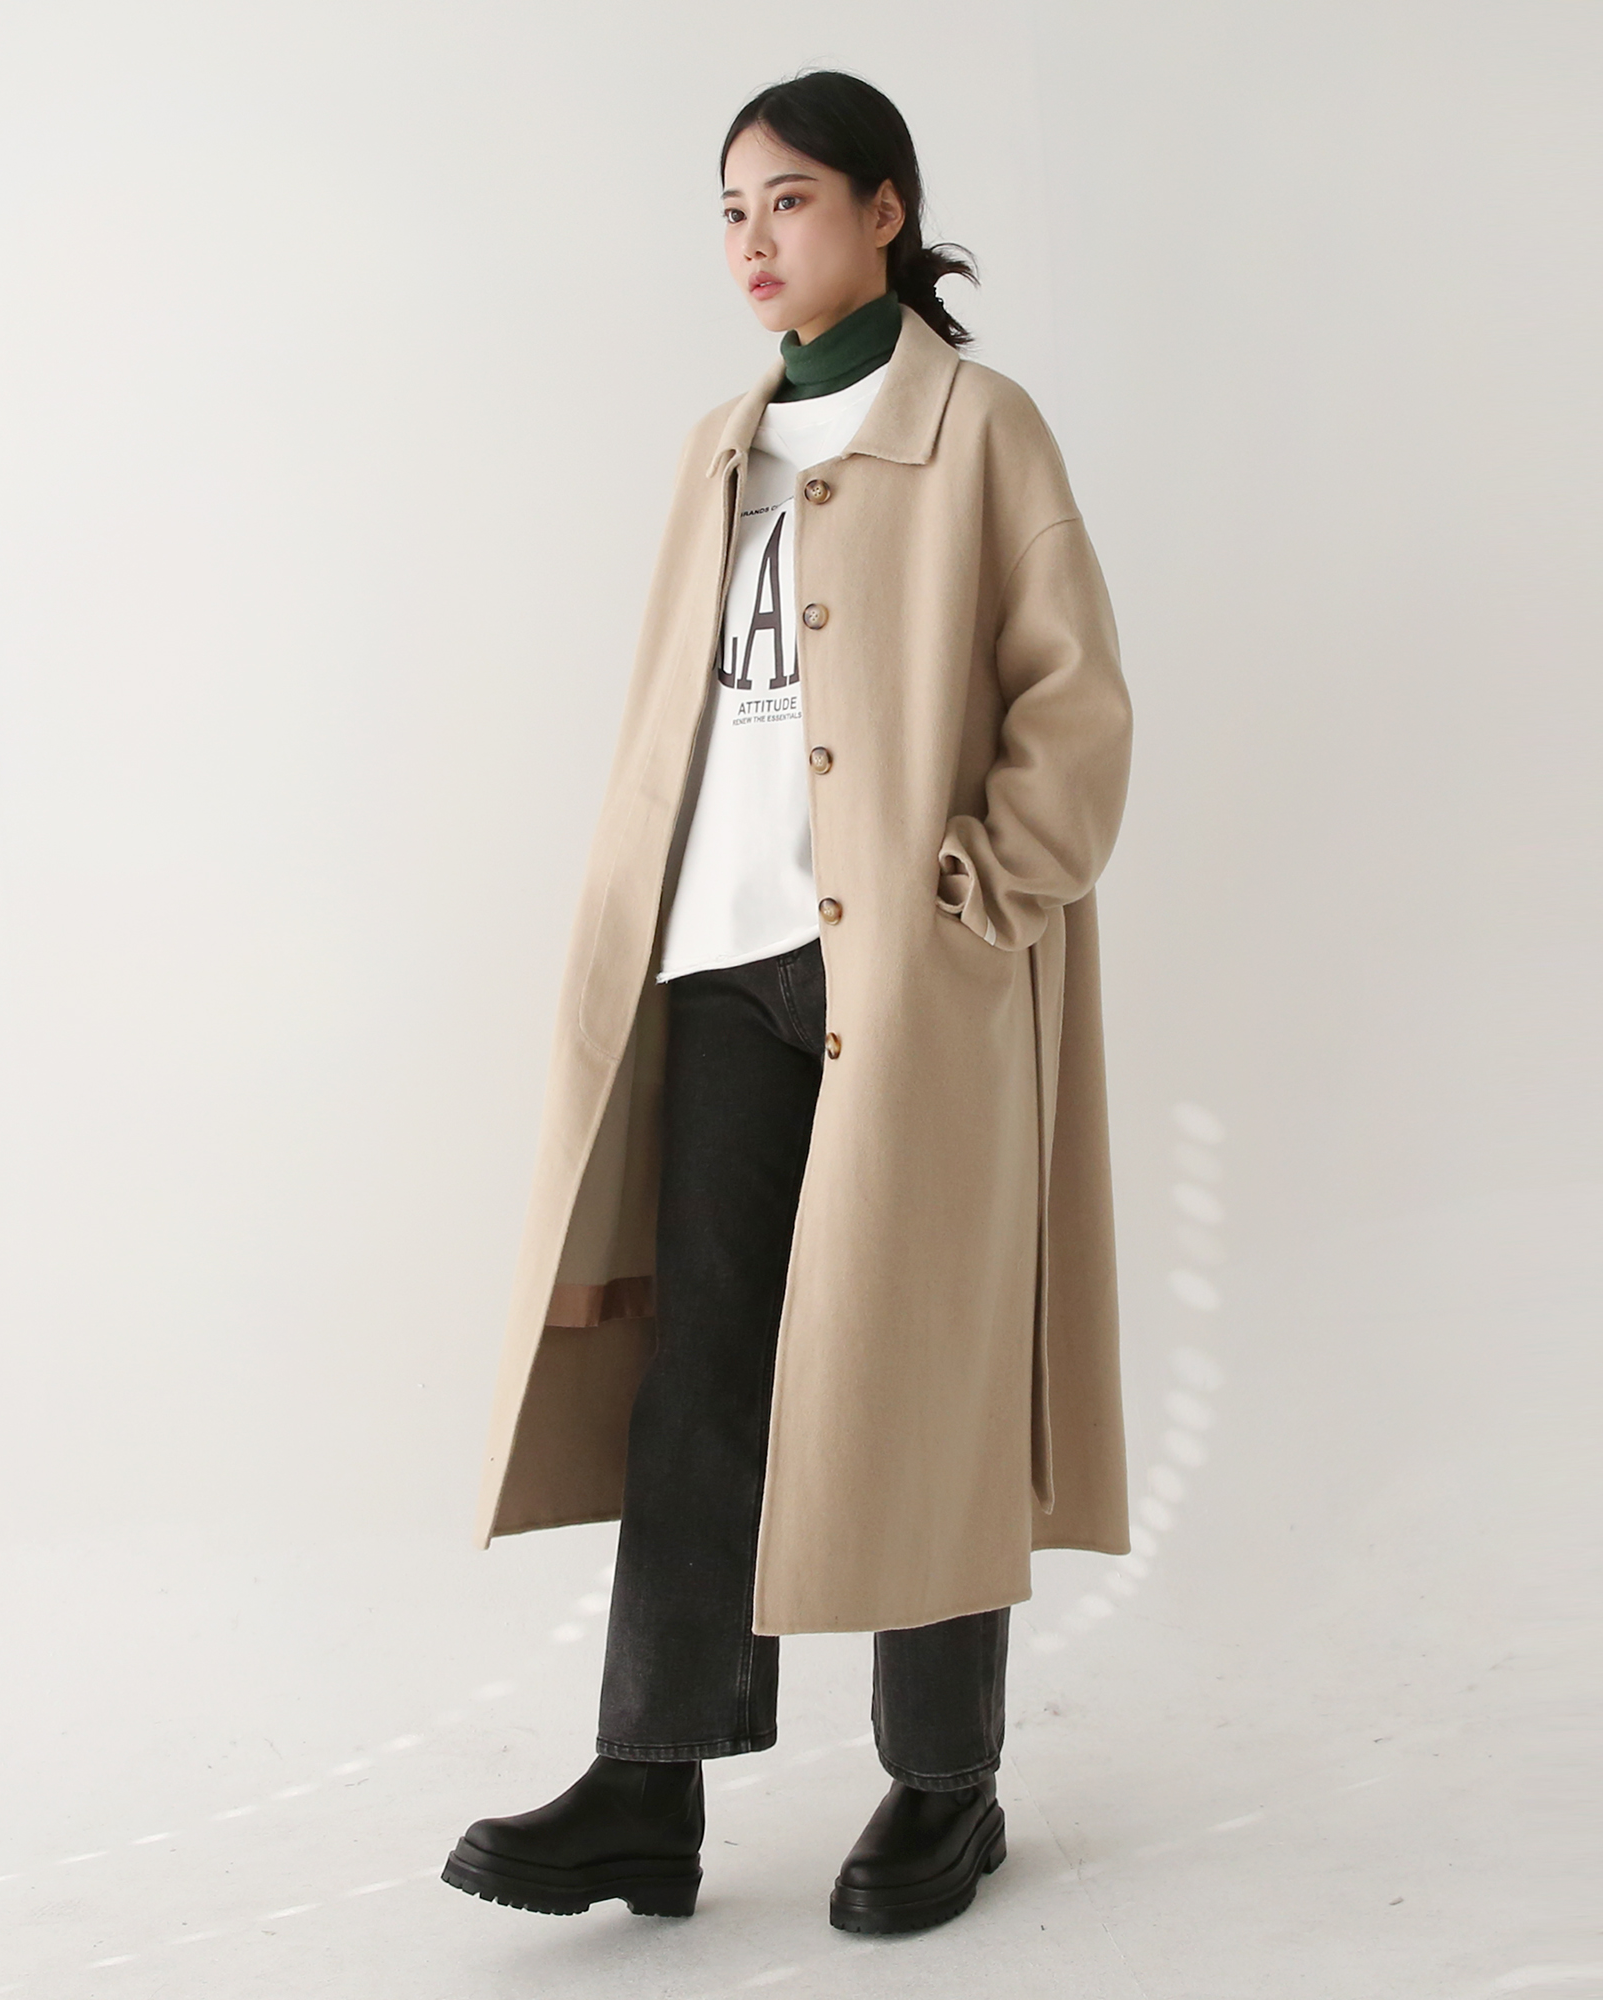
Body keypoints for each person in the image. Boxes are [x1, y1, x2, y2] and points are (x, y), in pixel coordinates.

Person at [443, 68, 1134, 1937]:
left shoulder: (979, 428)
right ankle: (646, 1782)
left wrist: (973, 900)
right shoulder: (720, 447)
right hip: (715, 961)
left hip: (903, 978)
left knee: (925, 1360)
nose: (755, 241)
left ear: (887, 210)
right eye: (733, 211)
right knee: (702, 1369)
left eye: (793, 200)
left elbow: (1077, 707)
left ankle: (945, 1784)